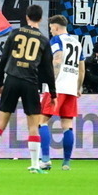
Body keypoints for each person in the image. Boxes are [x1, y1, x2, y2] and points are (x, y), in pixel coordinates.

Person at [0, 4, 57, 174]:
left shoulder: (15, 33)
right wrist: (53, 93)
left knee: (1, 121)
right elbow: (48, 70)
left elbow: (3, 59)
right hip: (30, 82)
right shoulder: (44, 40)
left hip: (12, 80)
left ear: (26, 17)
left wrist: (0, 83)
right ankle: (35, 165)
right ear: (41, 18)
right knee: (33, 125)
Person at [37, 15, 85, 171]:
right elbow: (81, 69)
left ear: (56, 27)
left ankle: (45, 159)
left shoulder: (57, 40)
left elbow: (57, 59)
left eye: (51, 28)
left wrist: (52, 84)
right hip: (71, 88)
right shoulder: (77, 43)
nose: (51, 31)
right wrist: (78, 87)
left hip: (58, 86)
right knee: (67, 125)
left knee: (42, 121)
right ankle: (66, 163)